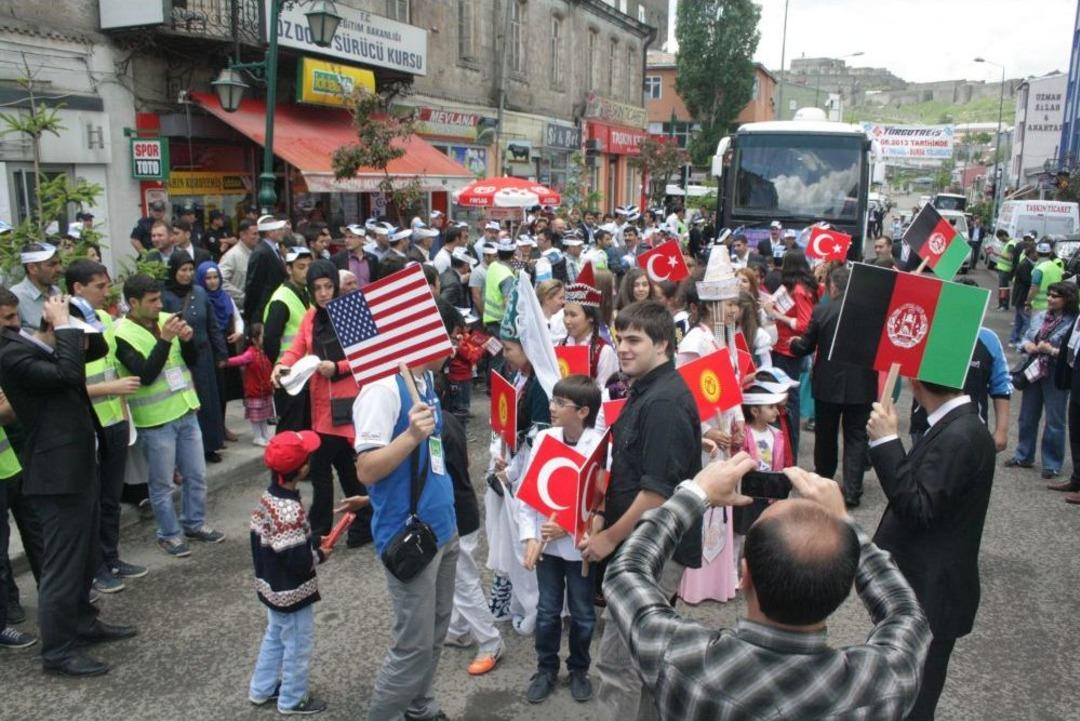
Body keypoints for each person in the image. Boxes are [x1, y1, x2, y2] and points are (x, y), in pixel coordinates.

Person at [605, 456, 930, 721]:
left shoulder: (680, 657)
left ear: (743, 576)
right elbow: (905, 612)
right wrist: (845, 523)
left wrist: (694, 494)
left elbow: (625, 572)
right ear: (847, 587)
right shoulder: (882, 683)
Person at [0, 295, 138, 675]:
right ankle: (57, 651)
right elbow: (69, 375)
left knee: (83, 555)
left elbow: (93, 352)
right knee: (61, 565)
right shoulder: (8, 353)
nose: (14, 324)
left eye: (15, 316)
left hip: (76, 464)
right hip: (56, 474)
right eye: (7, 318)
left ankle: (82, 622)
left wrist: (76, 322)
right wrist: (62, 325)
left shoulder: (26, 343)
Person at [580, 301, 703, 721]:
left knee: (619, 663)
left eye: (635, 339)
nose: (624, 348)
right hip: (641, 544)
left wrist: (607, 539)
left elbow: (657, 494)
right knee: (646, 661)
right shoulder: (646, 389)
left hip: (652, 550)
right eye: (620, 338)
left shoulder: (665, 401)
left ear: (663, 343)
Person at [868, 374, 995, 721]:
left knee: (913, 702)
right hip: (925, 588)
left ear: (914, 382)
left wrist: (886, 443)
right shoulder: (958, 424)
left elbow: (918, 508)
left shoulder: (960, 435)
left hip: (930, 594)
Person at [348, 345, 459, 721]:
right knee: (412, 646)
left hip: (444, 528)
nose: (454, 344)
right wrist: (411, 435)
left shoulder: (425, 378)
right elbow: (366, 467)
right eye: (445, 334)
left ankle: (420, 707)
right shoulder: (382, 389)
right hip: (410, 537)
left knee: (435, 633)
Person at [113, 274, 225, 557]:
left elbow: (190, 360)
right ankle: (169, 533)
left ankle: (194, 523)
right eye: (152, 301)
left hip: (186, 408)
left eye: (159, 299)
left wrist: (187, 340)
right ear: (133, 303)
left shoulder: (166, 319)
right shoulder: (121, 334)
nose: (158, 305)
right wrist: (165, 339)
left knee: (196, 474)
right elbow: (146, 375)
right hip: (156, 419)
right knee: (162, 484)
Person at [271, 260, 373, 548]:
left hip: (348, 403)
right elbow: (296, 349)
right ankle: (354, 526)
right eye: (317, 288)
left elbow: (367, 356)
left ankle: (325, 531)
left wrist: (337, 367)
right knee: (340, 469)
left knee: (328, 469)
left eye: (328, 286)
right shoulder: (311, 316)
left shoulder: (352, 311)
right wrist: (281, 365)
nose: (324, 293)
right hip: (321, 407)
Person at [519, 375, 602, 704]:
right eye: (552, 400)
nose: (550, 407)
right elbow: (527, 493)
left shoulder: (599, 445)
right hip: (546, 548)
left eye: (558, 403)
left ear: (583, 411)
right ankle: (546, 668)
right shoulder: (544, 440)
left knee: (583, 614)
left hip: (580, 549)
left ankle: (580, 668)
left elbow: (598, 503)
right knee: (547, 611)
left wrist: (568, 528)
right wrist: (529, 536)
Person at [66, 260, 147, 593]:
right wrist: (109, 391)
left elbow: (113, 369)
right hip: (86, 428)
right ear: (77, 289)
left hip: (113, 420)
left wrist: (124, 413)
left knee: (111, 498)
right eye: (99, 286)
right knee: (93, 502)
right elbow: (67, 384)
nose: (106, 292)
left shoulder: (102, 320)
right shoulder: (67, 328)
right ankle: (95, 568)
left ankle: (111, 557)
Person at [247, 430, 331, 715]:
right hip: (292, 592)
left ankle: (262, 688)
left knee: (274, 636)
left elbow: (277, 544)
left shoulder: (268, 498)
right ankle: (292, 699)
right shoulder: (290, 509)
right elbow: (297, 560)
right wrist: (319, 554)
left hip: (270, 587)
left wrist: (310, 541)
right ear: (304, 468)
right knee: (297, 645)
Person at [789, 265, 877, 507]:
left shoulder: (823, 310)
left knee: (825, 435)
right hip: (863, 383)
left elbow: (806, 346)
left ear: (833, 286)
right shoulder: (872, 312)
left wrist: (794, 344)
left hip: (829, 382)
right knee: (857, 436)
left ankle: (823, 481)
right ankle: (852, 491)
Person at [1007, 281, 1078, 479]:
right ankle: (1023, 455)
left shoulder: (1074, 322)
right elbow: (1025, 338)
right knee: (1027, 416)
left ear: (1067, 299)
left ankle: (1052, 463)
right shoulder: (1039, 317)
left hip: (1056, 374)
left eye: (1055, 296)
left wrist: (1053, 351)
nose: (1050, 299)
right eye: (1049, 295)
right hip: (1034, 371)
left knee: (1055, 420)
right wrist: (1027, 345)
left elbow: (1074, 352)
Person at [162, 252, 229, 463]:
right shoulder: (165, 297)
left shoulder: (200, 293)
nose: (187, 274)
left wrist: (221, 352)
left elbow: (213, 325)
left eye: (191, 270)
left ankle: (209, 446)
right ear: (174, 271)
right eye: (183, 270)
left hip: (203, 354)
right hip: (178, 358)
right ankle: (187, 451)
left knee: (207, 400)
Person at [762, 249, 818, 459]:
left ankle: (790, 453)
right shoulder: (795, 288)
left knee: (788, 402)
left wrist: (776, 315)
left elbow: (804, 323)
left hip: (788, 351)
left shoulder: (799, 290)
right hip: (782, 347)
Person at [265, 247, 313, 433]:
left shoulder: (308, 292)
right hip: (289, 374)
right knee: (290, 428)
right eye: (301, 267)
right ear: (289, 269)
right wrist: (279, 366)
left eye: (309, 266)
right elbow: (270, 339)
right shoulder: (281, 299)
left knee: (305, 426)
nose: (306, 271)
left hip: (307, 372)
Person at [197, 260, 245, 443]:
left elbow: (237, 318)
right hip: (210, 348)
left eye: (215, 277)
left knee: (224, 390)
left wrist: (239, 333)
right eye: (207, 278)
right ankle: (213, 431)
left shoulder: (225, 297)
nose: (212, 282)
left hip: (227, 346)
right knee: (213, 391)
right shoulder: (200, 299)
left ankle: (221, 427)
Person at [561, 265, 617, 389]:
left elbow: (606, 393)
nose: (567, 321)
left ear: (590, 317)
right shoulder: (562, 344)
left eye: (573, 315)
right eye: (565, 314)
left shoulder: (603, 351)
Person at [225, 326, 275, 447]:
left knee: (263, 416)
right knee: (256, 417)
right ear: (255, 339)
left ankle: (265, 435)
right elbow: (239, 360)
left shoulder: (264, 352)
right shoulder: (251, 354)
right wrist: (226, 361)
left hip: (265, 391)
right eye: (262, 335)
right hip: (255, 392)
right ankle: (258, 437)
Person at [244, 214, 289, 328]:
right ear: (269, 232)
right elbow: (253, 285)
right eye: (278, 229)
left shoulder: (273, 249)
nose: (282, 231)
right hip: (263, 310)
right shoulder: (261, 252)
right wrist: (253, 316)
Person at [11, 242, 61, 330]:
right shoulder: (16, 297)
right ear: (32, 268)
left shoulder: (56, 291)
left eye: (59, 263)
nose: (59, 269)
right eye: (52, 265)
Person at [219, 218, 259, 310]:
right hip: (239, 309)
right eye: (254, 234)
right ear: (242, 235)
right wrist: (243, 297)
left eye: (259, 234)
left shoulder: (257, 253)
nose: (258, 237)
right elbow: (221, 282)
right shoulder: (231, 256)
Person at [332, 224, 380, 289]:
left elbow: (375, 282)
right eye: (345, 237)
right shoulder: (337, 259)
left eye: (351, 237)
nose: (346, 240)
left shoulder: (372, 259)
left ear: (362, 239)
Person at [1009, 240, 1038, 348]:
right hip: (1022, 297)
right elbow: (1027, 281)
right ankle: (1021, 341)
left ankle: (1014, 339)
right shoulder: (1025, 265)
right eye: (1036, 253)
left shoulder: (1026, 263)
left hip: (1019, 297)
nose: (1037, 255)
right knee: (1026, 321)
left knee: (1019, 320)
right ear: (1031, 253)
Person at [994, 229, 1018, 311]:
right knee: (1001, 287)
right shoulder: (1007, 243)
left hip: (1006, 269)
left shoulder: (1011, 244)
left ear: (1003, 235)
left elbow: (1009, 257)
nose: (999, 240)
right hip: (1002, 268)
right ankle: (1001, 304)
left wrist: (997, 254)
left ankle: (1004, 305)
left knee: (1004, 287)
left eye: (1000, 238)